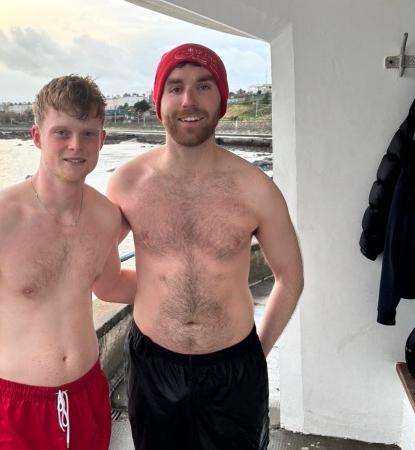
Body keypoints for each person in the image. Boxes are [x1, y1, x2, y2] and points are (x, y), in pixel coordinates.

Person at [99, 43, 304, 450]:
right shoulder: (127, 184)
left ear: (222, 100)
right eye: (175, 88)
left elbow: (290, 277)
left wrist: (256, 353)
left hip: (234, 367)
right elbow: (100, 278)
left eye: (203, 86)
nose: (188, 100)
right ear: (159, 102)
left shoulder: (255, 188)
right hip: (153, 367)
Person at [0, 74, 136, 450]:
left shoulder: (105, 215)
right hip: (15, 409)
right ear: (37, 137)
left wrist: (175, 284)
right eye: (62, 133)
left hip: (88, 396)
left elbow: (109, 284)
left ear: (102, 140)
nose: (76, 145)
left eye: (88, 134)